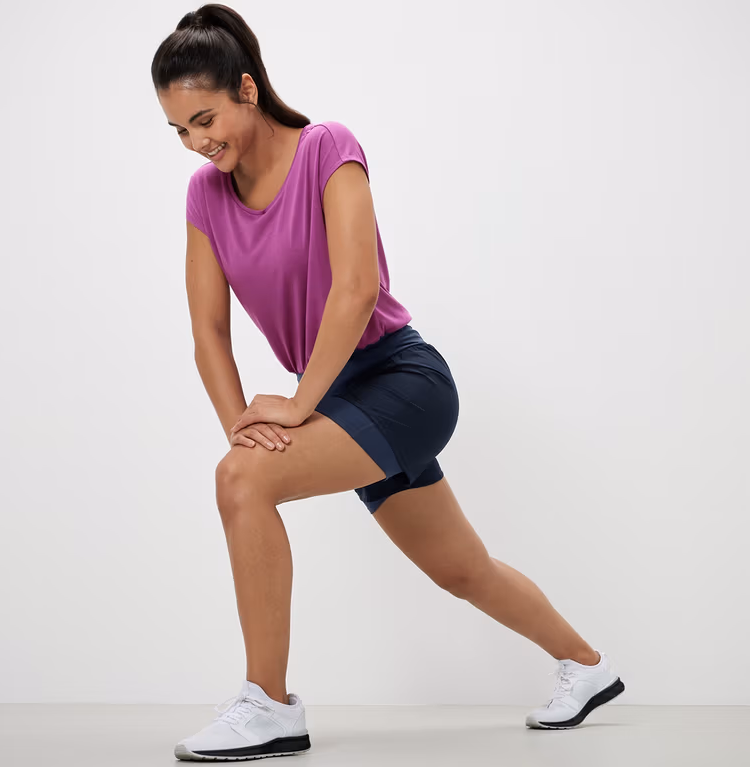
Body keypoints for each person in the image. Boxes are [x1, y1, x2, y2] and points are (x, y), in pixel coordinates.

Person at [153, 4, 624, 762]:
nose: (197, 142)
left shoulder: (326, 148)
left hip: (401, 379)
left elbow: (357, 289)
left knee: (240, 481)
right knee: (460, 569)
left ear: (246, 88)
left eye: (204, 119)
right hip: (339, 398)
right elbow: (208, 329)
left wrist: (297, 405)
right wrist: (240, 422)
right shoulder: (205, 197)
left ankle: (268, 705)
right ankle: (588, 666)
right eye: (179, 130)